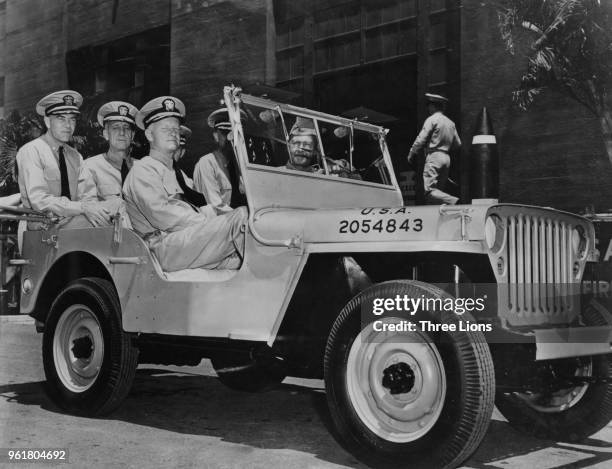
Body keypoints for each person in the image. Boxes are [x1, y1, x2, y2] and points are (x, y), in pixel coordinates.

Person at [122, 96, 247, 271]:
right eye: (166, 129)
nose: (174, 133)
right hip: (162, 247)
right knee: (242, 217)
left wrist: (216, 215)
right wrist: (209, 222)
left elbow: (197, 206)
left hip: (184, 242)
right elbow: (162, 214)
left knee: (245, 260)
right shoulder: (143, 170)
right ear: (150, 134)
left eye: (175, 129)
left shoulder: (179, 175)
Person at [16, 90, 111, 229]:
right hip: (42, 227)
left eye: (72, 119)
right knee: (103, 228)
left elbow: (88, 196)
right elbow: (39, 201)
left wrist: (92, 209)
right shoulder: (31, 151)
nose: (68, 125)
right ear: (48, 121)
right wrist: (83, 208)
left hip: (71, 222)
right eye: (61, 118)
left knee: (113, 212)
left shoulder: (75, 156)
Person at [83, 101, 139, 227]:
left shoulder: (144, 168)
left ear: (133, 135)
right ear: (105, 134)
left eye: (126, 128)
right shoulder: (90, 167)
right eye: (115, 128)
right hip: (110, 236)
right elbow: (89, 209)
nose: (122, 133)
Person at [406, 93, 461, 205]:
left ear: (433, 106)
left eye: (429, 105)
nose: (428, 108)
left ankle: (454, 201)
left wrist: (412, 152)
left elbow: (421, 138)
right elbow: (458, 143)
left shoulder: (432, 119)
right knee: (438, 193)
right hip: (446, 158)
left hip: (434, 156)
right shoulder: (451, 123)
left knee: (429, 191)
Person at [193, 109, 245, 214]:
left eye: (236, 134)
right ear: (216, 136)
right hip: (220, 224)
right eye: (226, 134)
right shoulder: (207, 163)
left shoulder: (241, 165)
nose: (232, 139)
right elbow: (215, 207)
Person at [284, 117, 359, 179]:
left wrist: (343, 175)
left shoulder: (325, 174)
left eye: (307, 145)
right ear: (288, 147)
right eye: (296, 143)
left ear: (315, 151)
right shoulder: (274, 172)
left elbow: (357, 181)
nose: (300, 149)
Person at [173, 125, 209, 209]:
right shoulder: (152, 172)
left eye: (176, 150)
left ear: (182, 153)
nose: (171, 153)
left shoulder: (186, 181)